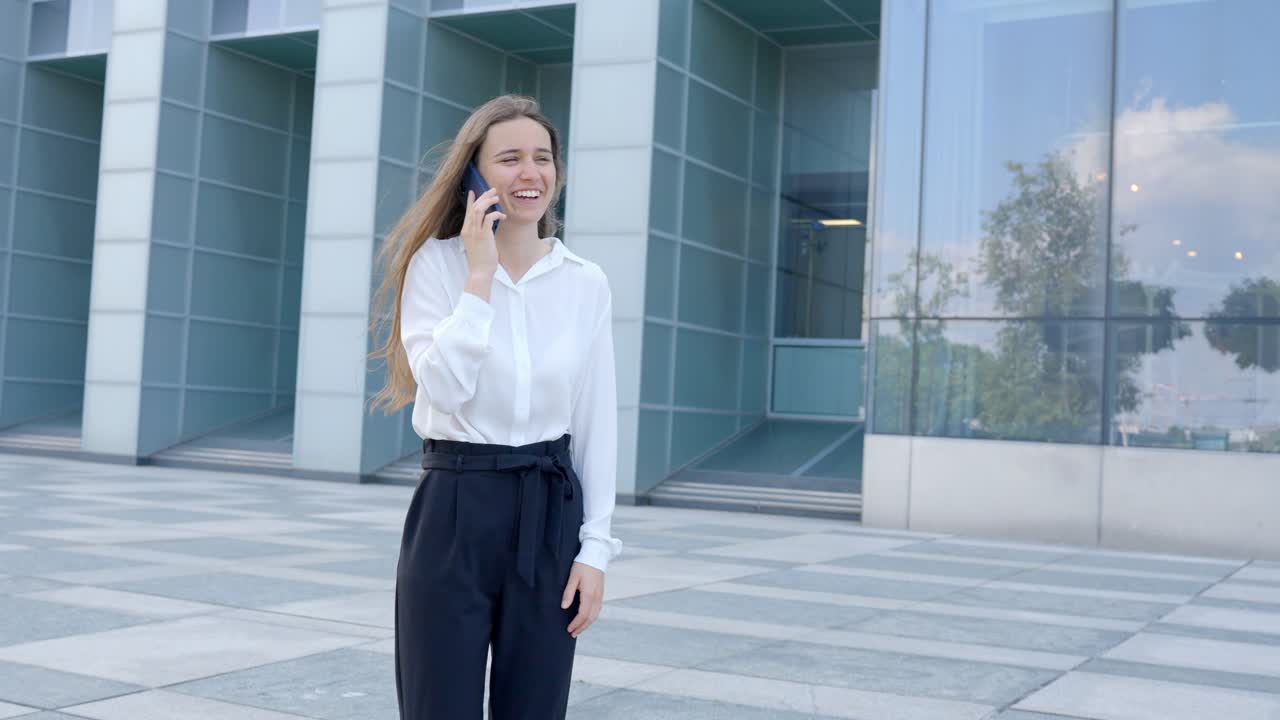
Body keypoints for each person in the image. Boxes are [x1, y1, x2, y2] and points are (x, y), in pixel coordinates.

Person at [369, 95, 623, 718]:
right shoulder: (434, 267)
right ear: (476, 175)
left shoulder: (584, 280)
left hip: (547, 511)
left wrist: (595, 549)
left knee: (535, 706)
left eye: (542, 158)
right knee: (439, 704)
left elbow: (597, 421)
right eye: (509, 159)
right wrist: (478, 277)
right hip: (454, 505)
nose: (529, 173)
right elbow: (447, 389)